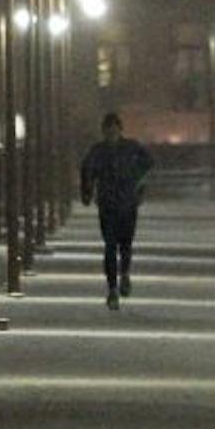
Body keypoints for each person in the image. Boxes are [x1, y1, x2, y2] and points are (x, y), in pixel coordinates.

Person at [79, 111, 153, 310]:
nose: (111, 133)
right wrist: (87, 192)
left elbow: (148, 163)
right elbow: (87, 171)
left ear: (120, 130)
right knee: (111, 246)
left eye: (114, 129)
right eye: (108, 130)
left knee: (125, 244)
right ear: (104, 131)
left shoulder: (129, 148)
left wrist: (137, 182)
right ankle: (113, 287)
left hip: (127, 203)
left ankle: (125, 274)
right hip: (109, 205)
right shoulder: (99, 151)